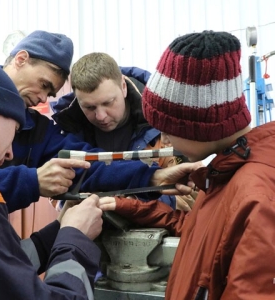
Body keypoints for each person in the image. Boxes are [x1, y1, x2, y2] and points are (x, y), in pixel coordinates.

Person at [99, 30, 275, 299]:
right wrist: (128, 206)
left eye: (168, 129)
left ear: (199, 124)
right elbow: (204, 235)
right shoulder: (226, 172)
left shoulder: (255, 197)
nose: (165, 139)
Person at [0, 30, 194, 213]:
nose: (44, 99)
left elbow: (90, 164)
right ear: (21, 59)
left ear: (123, 87)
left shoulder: (37, 130)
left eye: (50, 92)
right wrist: (30, 181)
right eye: (43, 85)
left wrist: (154, 178)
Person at [0, 55, 103, 299]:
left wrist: (59, 231)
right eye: (14, 130)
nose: (11, 151)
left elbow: (1, 270)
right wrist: (75, 239)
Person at [52, 52, 194, 210]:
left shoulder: (167, 122)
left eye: (108, 102)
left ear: (124, 87)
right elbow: (57, 193)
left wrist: (131, 205)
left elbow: (190, 195)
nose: (101, 116)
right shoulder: (66, 131)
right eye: (89, 107)